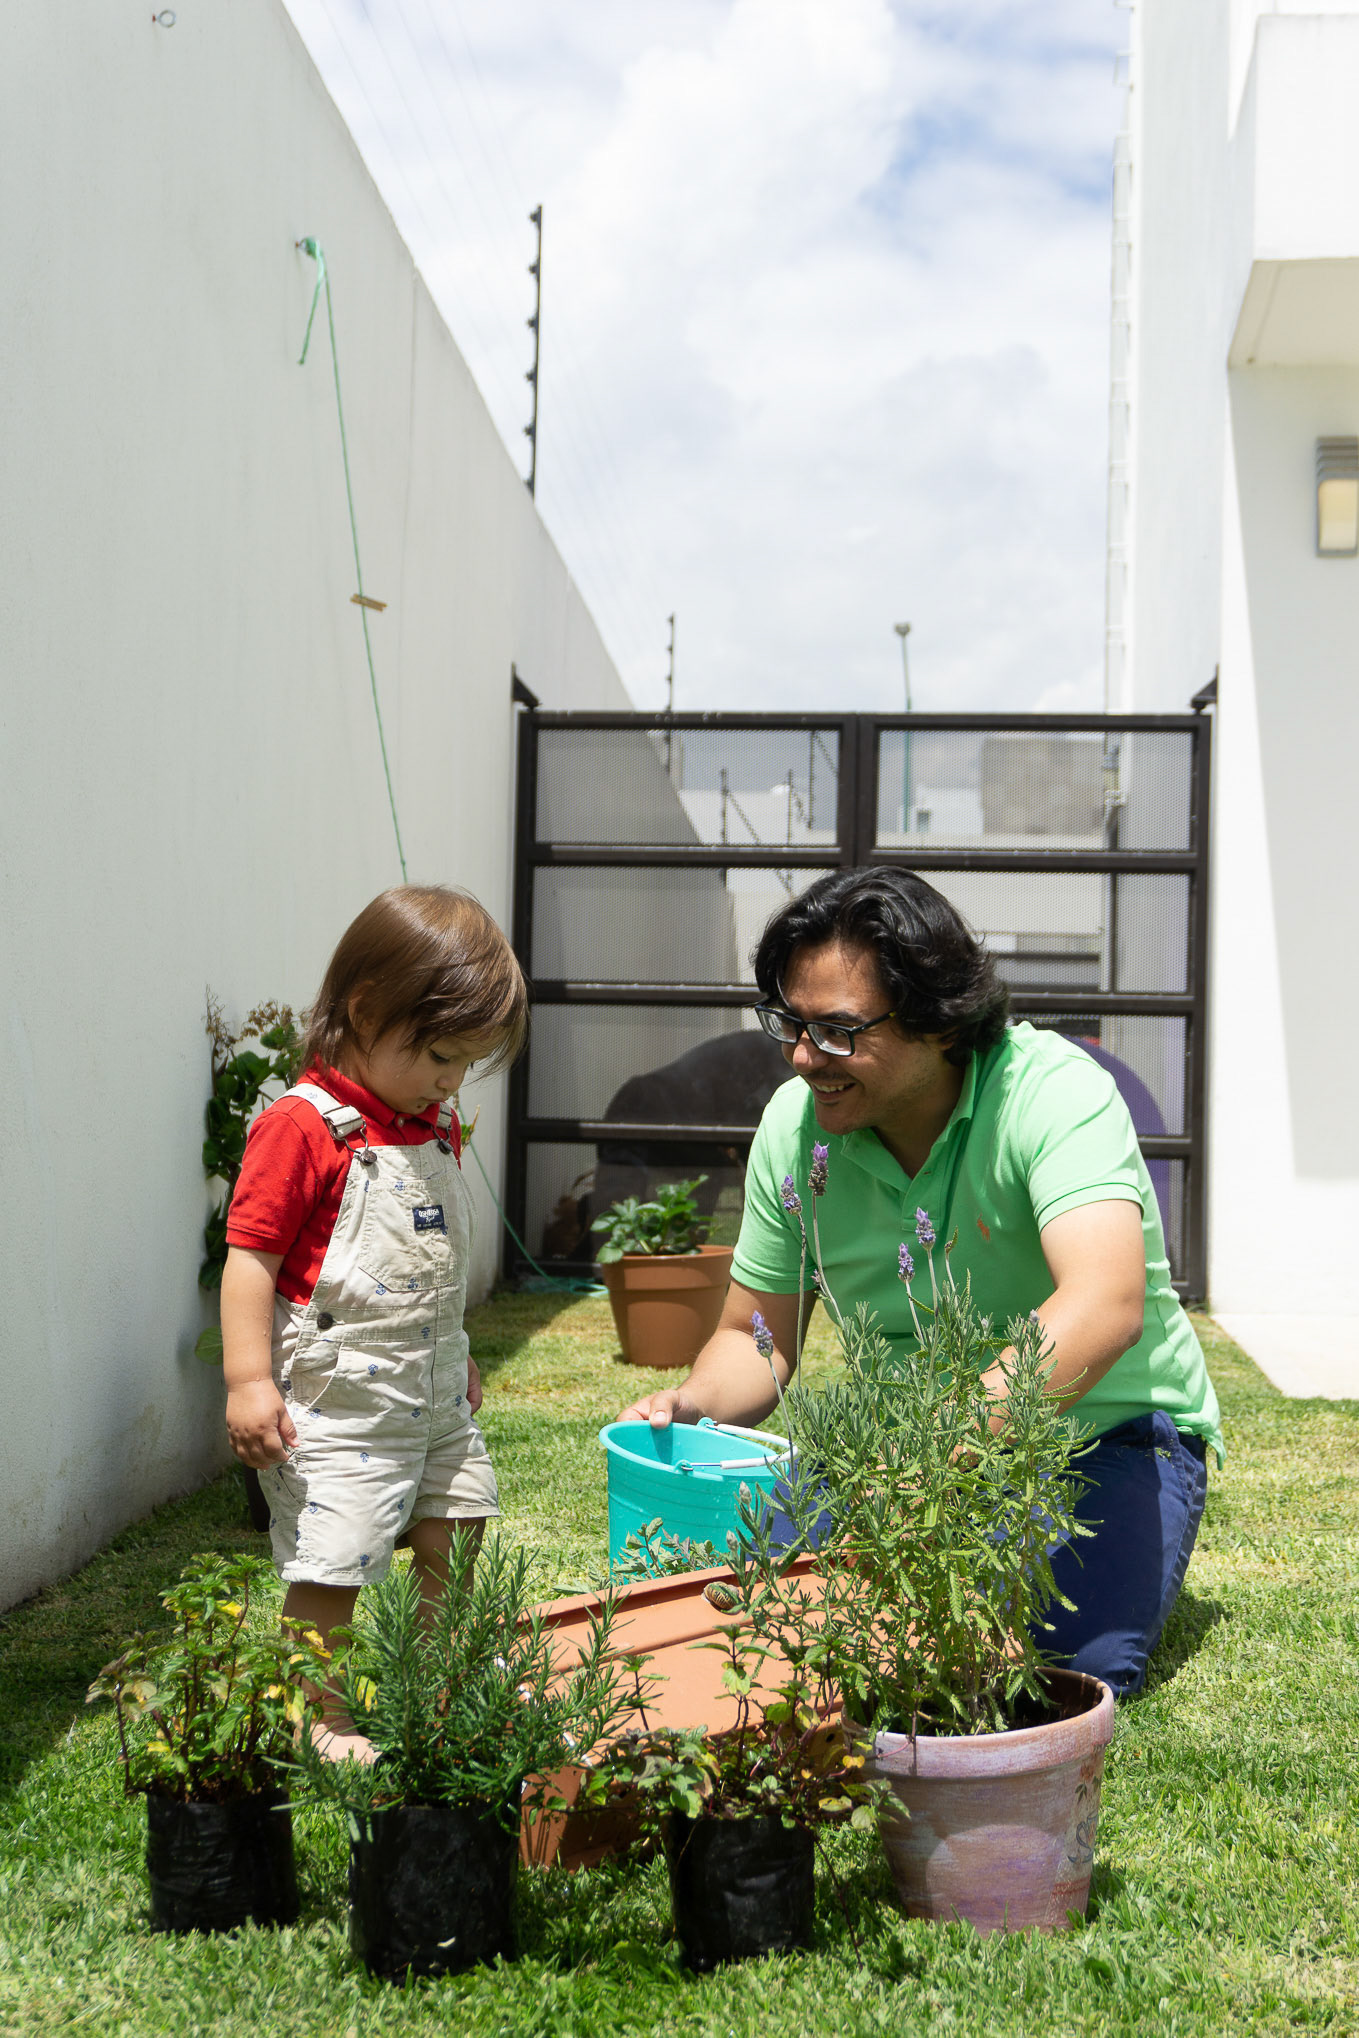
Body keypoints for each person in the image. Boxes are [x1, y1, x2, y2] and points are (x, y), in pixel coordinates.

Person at [621, 866, 1222, 1699]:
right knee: (755, 1613)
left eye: (837, 1031)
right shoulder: (793, 1131)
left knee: (1049, 1678)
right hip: (899, 1450)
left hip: (1099, 1435)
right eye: (789, 1023)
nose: (803, 1057)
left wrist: (937, 1452)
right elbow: (751, 1338)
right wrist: (690, 1405)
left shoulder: (1051, 1091)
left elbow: (1103, 1304)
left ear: (939, 1020)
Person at [222, 884, 527, 1757]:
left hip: (432, 1392)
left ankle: (434, 1680)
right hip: (342, 1404)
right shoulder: (303, 1128)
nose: (451, 1080)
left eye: (467, 1063)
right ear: (364, 1011)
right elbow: (250, 1259)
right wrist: (248, 1380)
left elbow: (428, 1263)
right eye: (439, 1054)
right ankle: (316, 1712)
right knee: (337, 1554)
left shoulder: (430, 1126)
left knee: (456, 1526)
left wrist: (454, 1351)